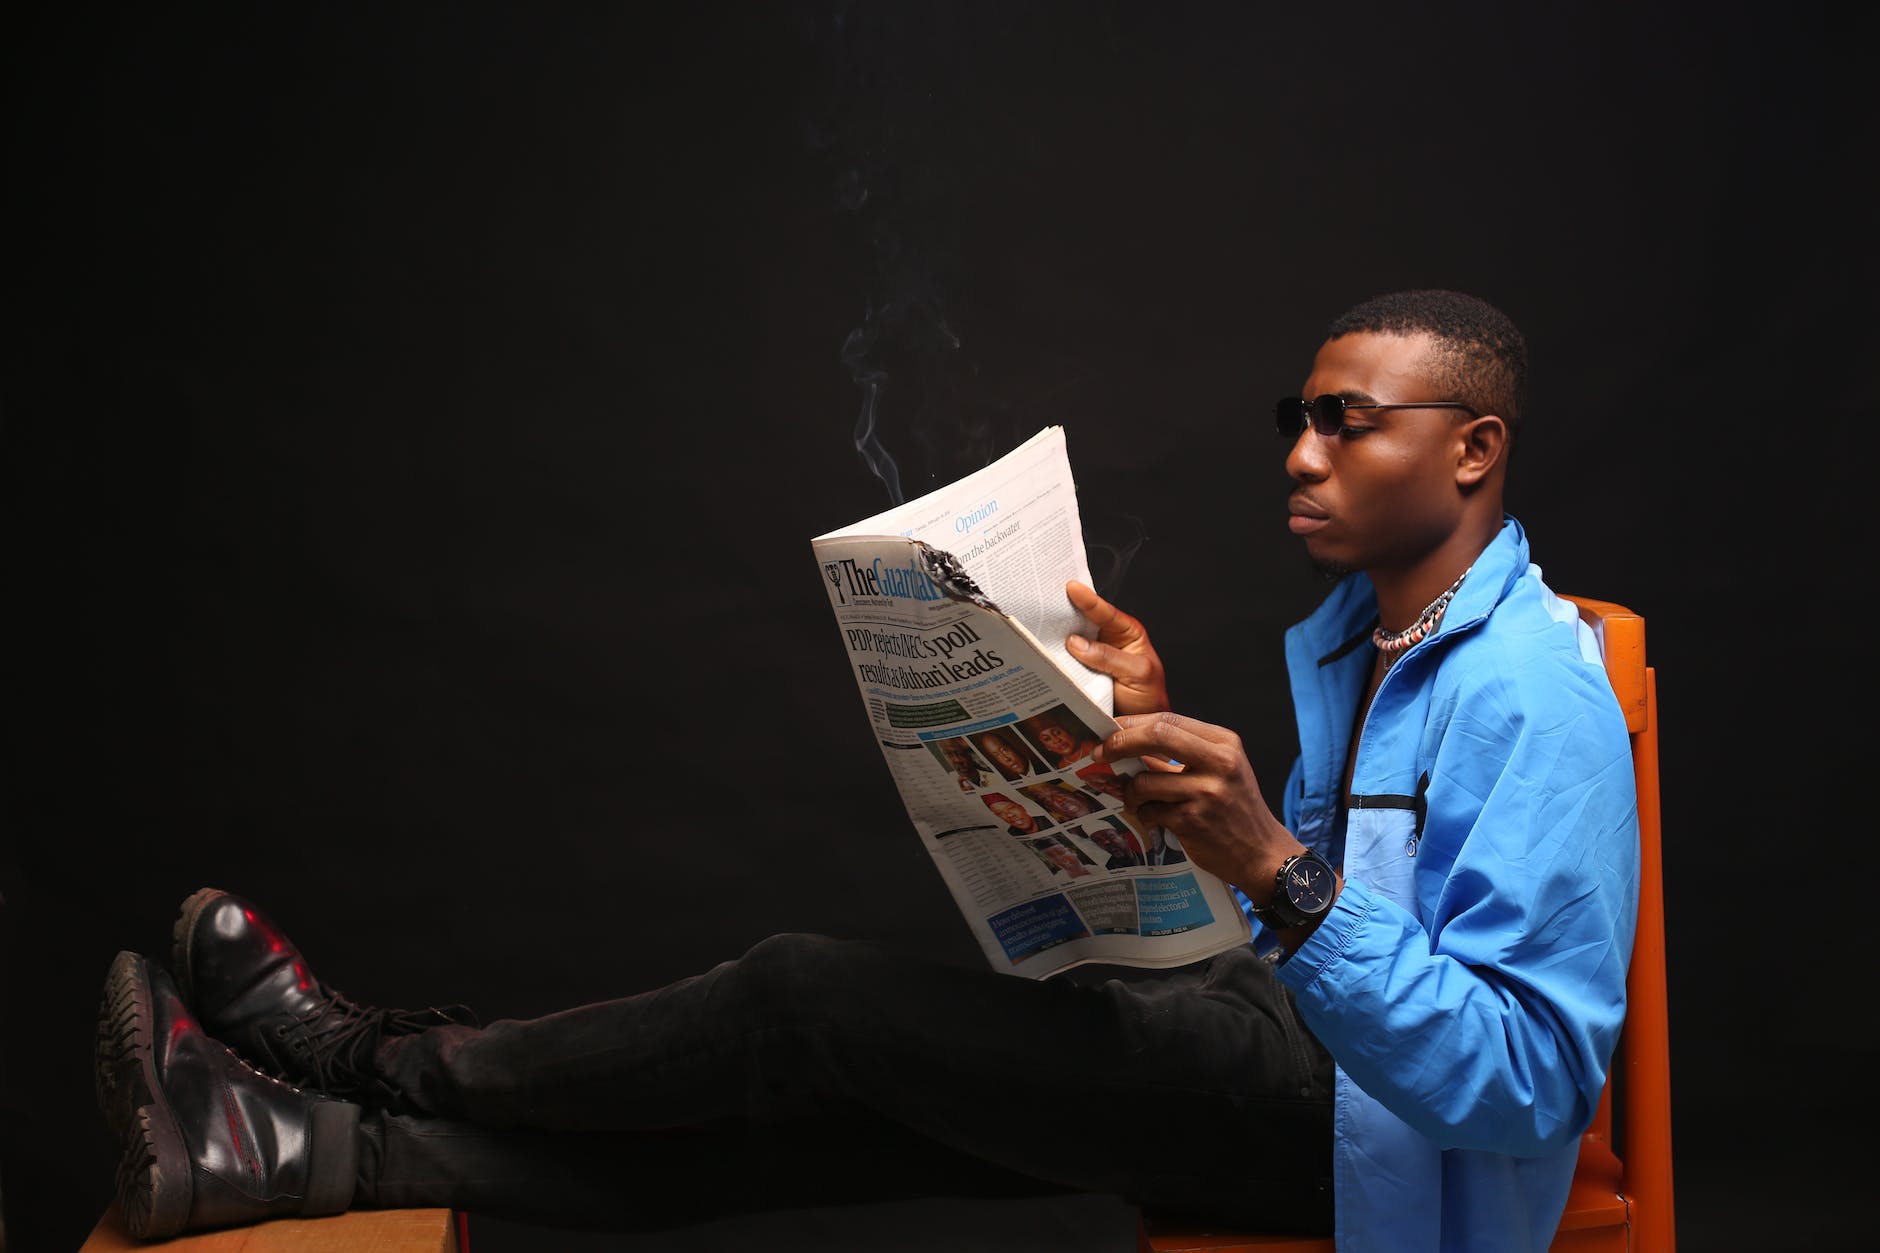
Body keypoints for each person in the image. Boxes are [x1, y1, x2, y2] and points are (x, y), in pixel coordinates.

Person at [94, 291, 1639, 1251]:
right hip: (1289, 1052)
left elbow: (1526, 1088)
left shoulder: (1534, 694)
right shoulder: (1374, 645)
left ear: (1471, 449)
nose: (1300, 455)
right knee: (833, 1110)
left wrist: (1274, 872)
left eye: (1346, 424)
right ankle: (295, 1153)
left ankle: (363, 1059)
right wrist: (1148, 785)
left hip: (1370, 1158)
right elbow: (1324, 935)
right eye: (1299, 421)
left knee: (805, 997)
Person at [969, 726, 1047, 781]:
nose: (1006, 759)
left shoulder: (1045, 764)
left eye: (1004, 750)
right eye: (997, 755)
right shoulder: (1011, 781)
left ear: (1013, 745)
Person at [981, 790, 1048, 836]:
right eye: (1000, 813)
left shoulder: (1047, 820)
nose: (1009, 815)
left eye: (1011, 808)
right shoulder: (1010, 835)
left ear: (1021, 807)